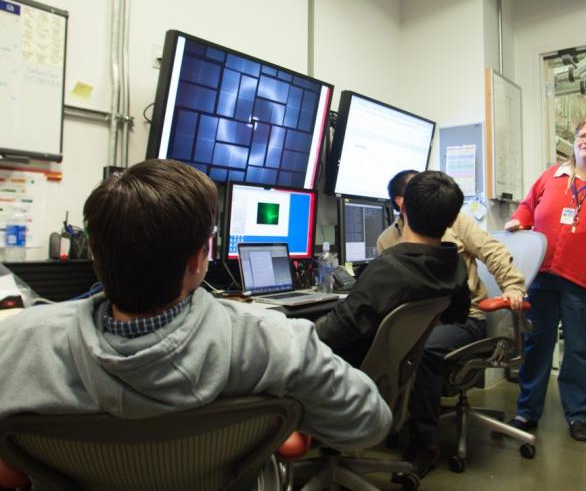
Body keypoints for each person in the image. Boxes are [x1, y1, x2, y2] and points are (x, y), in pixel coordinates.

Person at [0, 159, 392, 453]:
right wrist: (287, 423)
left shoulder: (16, 343)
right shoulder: (276, 341)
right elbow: (369, 424)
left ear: (96, 256)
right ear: (200, 258)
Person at [376, 169, 526, 476]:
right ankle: (383, 422)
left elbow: (493, 252)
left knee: (425, 349)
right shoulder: (386, 240)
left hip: (464, 319)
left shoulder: (456, 222)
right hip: (418, 320)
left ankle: (425, 443)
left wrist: (513, 288)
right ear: (403, 203)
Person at [505, 119, 586, 442]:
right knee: (536, 345)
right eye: (582, 135)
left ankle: (576, 414)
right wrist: (519, 219)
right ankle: (527, 411)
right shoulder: (552, 176)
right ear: (573, 143)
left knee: (579, 349)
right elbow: (528, 205)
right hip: (543, 275)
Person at [315, 170, 471, 371]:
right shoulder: (455, 264)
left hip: (349, 376)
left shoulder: (388, 269)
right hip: (395, 375)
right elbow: (457, 315)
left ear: (403, 207)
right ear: (452, 220)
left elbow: (332, 332)